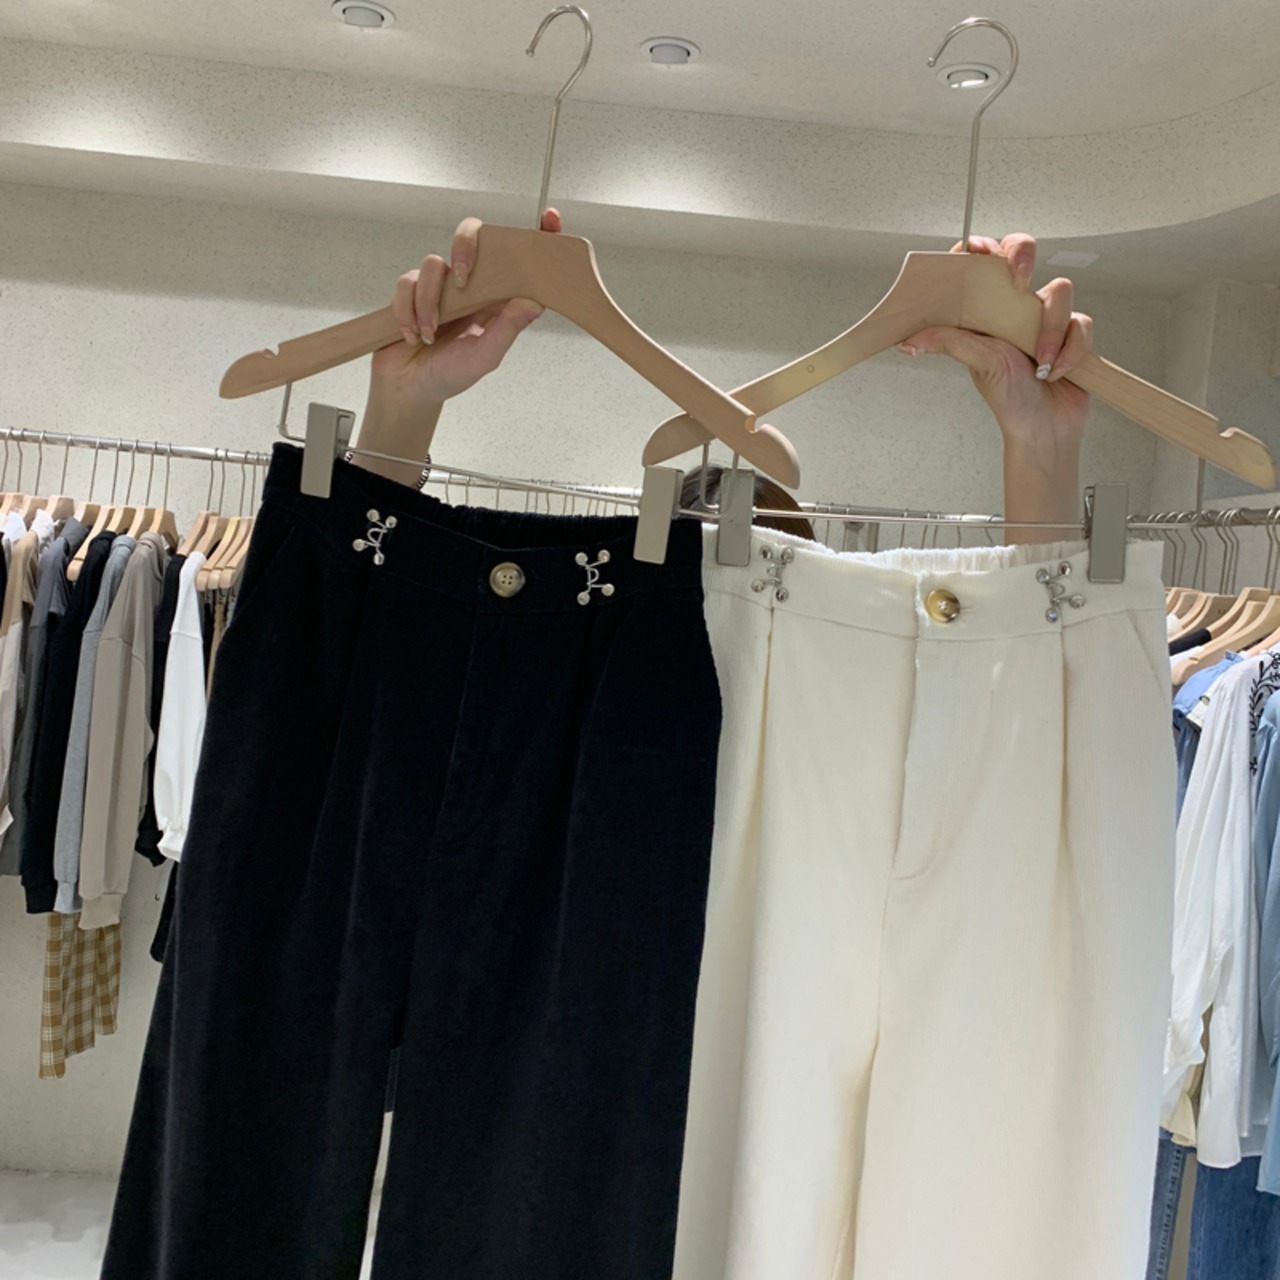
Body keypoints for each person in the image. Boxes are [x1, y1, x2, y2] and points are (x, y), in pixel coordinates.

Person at [355, 211, 1096, 542]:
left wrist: (1040, 442)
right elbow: (364, 632)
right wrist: (404, 403)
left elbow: (1027, 685)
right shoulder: (582, 641)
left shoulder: (866, 663)